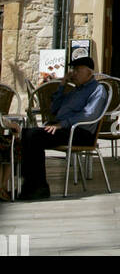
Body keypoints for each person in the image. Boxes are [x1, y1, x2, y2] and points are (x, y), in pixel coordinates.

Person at [19, 56, 109, 200]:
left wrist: (63, 124)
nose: (73, 73)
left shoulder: (98, 90)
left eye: (78, 70)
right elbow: (54, 109)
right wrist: (62, 84)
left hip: (80, 132)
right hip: (65, 129)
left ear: (89, 73)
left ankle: (38, 187)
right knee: (25, 134)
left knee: (33, 136)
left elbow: (89, 115)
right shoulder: (76, 90)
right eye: (72, 70)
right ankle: (30, 184)